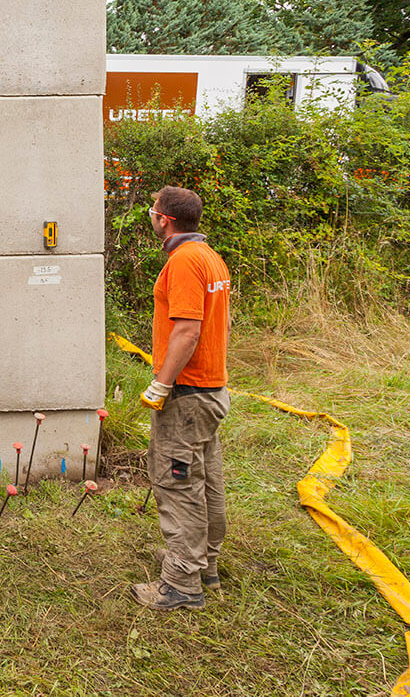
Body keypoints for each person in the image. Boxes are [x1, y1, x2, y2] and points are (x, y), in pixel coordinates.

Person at [133, 185, 232, 611]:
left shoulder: (185, 261)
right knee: (206, 479)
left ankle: (180, 585)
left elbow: (188, 330)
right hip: (209, 389)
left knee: (178, 483)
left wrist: (163, 384)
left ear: (165, 219)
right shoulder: (210, 256)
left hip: (188, 396)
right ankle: (203, 564)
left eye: (153, 211)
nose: (151, 217)